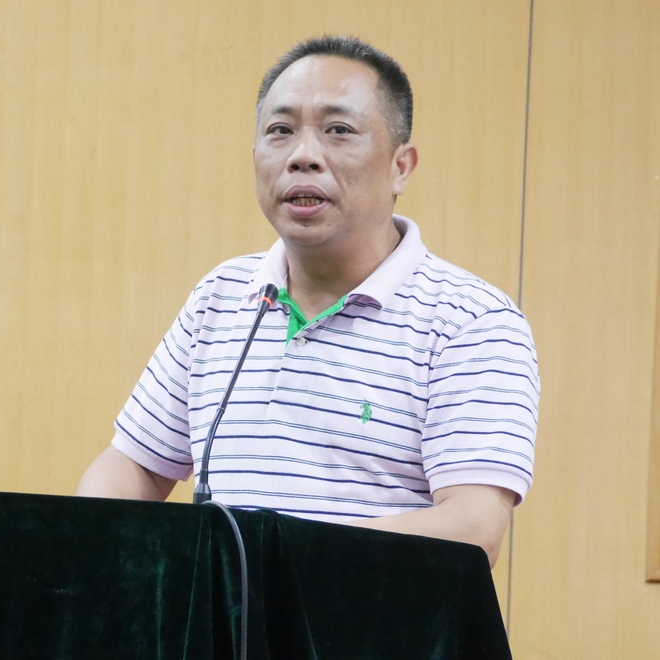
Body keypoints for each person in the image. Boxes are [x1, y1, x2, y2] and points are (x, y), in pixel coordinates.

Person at [77, 36, 539, 568]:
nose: (302, 156)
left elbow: (472, 530)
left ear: (401, 166)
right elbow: (133, 467)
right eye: (280, 131)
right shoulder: (221, 296)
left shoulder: (472, 322)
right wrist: (82, 551)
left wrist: (269, 565)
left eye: (338, 130)